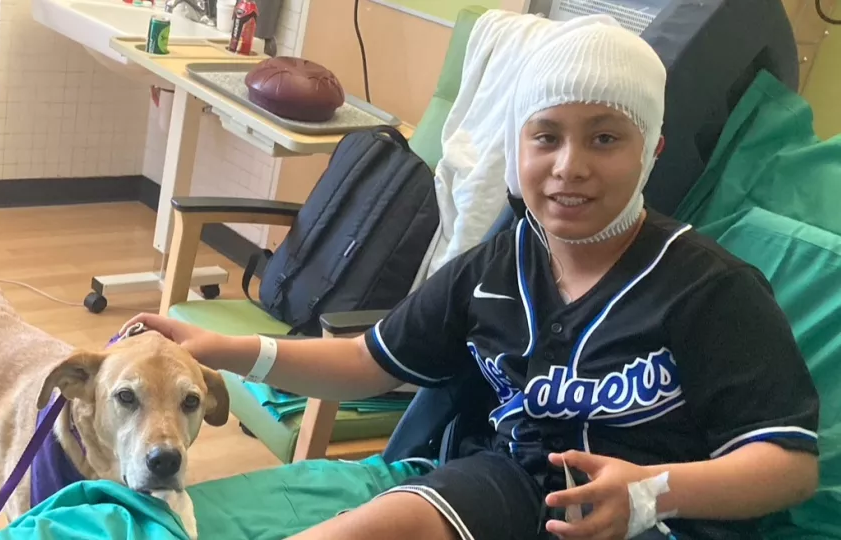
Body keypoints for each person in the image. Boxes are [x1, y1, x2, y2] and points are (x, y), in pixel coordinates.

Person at [122, 14, 820, 540]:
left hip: (663, 518)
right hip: (511, 481)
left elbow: (788, 464)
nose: (569, 166)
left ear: (653, 149)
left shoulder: (714, 289)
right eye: (545, 136)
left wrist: (653, 492)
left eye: (605, 137)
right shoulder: (497, 267)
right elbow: (369, 361)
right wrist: (216, 348)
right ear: (517, 146)